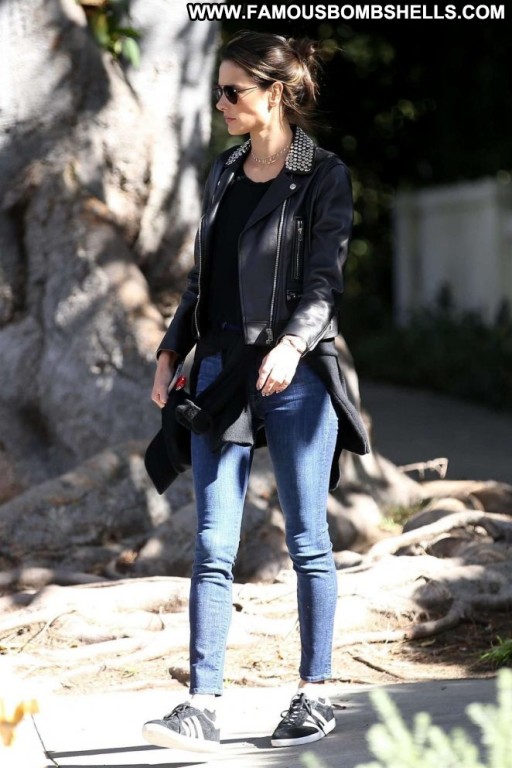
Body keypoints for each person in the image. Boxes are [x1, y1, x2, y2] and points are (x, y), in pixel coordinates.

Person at [142, 29, 369, 753]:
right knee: (213, 542)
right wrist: (171, 351)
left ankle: (314, 693)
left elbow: (324, 282)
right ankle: (201, 704)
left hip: (295, 372)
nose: (220, 103)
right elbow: (201, 279)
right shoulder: (225, 171)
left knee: (307, 539)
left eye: (232, 91)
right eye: (219, 90)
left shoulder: (321, 174)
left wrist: (293, 345)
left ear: (275, 94)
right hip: (219, 371)